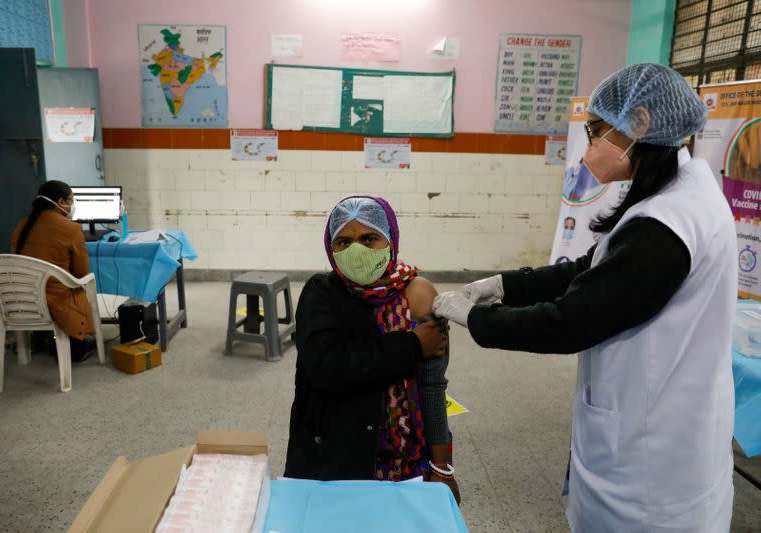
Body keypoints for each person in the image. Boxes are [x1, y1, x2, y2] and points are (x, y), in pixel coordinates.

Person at [433, 64, 737, 532]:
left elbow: (568, 322)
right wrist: (504, 284)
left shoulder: (666, 225)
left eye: (596, 130)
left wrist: (475, 319)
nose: (591, 144)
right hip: (666, 425)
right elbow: (587, 270)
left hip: (652, 468)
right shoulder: (677, 189)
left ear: (638, 123)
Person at [284, 196, 460, 502]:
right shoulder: (321, 294)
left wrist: (442, 468)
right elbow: (329, 368)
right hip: (333, 465)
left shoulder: (419, 295)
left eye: (369, 238)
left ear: (390, 240)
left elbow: (432, 385)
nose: (357, 250)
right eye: (344, 242)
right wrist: (414, 344)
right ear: (331, 248)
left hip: (406, 464)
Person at [11, 180, 96, 362]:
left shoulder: (22, 225)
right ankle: (72, 342)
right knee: (81, 286)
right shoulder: (71, 228)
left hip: (22, 298)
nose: (72, 205)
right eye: (71, 200)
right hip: (54, 301)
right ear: (60, 201)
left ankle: (44, 338)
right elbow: (82, 273)